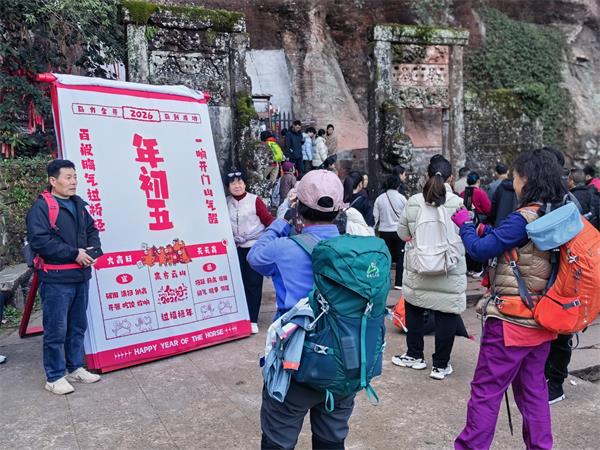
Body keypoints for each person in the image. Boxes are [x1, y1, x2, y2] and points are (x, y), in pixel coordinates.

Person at [453, 148, 563, 450]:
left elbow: (478, 250)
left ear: (526, 179)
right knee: (534, 392)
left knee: (486, 391)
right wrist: (486, 230)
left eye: (515, 177)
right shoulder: (553, 215)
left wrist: (465, 225)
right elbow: (517, 246)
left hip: (510, 322)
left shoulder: (523, 218)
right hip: (540, 319)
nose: (513, 183)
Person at [247, 170, 356, 450]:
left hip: (296, 364)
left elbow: (254, 257)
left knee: (278, 440)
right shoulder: (356, 249)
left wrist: (282, 221)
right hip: (345, 361)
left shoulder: (284, 248)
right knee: (332, 440)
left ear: (299, 208)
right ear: (339, 209)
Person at [26, 159, 102, 395]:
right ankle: (54, 376)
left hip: (80, 276)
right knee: (56, 329)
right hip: (56, 279)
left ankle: (75, 367)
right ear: (53, 180)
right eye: (68, 177)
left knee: (77, 325)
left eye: (75, 177)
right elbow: (40, 241)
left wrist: (93, 251)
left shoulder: (78, 204)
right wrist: (74, 254)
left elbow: (92, 230)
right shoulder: (41, 208)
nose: (73, 182)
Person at [393, 156, 466, 380]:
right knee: (447, 312)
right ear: (451, 178)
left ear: (427, 174)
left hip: (419, 267)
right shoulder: (458, 203)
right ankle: (440, 365)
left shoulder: (414, 201)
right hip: (449, 269)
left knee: (415, 307)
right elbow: (466, 233)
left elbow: (402, 233)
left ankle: (415, 355)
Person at [226, 172, 274, 335]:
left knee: (253, 283)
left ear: (245, 184)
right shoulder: (226, 202)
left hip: (254, 246)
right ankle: (241, 317)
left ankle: (252, 319)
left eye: (240, 182)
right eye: (233, 183)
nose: (237, 186)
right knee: (238, 283)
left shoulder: (255, 200)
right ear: (228, 187)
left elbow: (268, 221)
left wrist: (267, 243)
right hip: (235, 248)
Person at [374, 174, 407, 290]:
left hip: (384, 231)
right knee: (400, 258)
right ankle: (399, 283)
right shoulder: (402, 198)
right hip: (399, 231)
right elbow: (406, 216)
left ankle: (385, 281)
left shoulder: (380, 199)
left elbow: (375, 217)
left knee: (385, 258)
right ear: (398, 185)